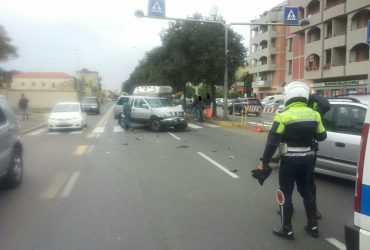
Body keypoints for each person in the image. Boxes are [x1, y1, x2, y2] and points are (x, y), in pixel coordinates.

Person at [254, 81, 327, 240]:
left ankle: (287, 229)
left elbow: (272, 142)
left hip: (289, 161)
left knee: (285, 193)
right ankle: (313, 226)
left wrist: (264, 162)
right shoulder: (314, 114)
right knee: (306, 190)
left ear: (288, 97)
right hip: (308, 159)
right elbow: (322, 136)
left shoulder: (283, 115)